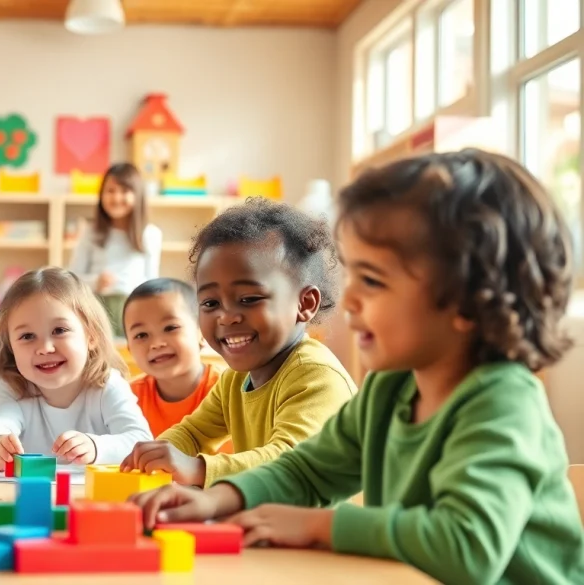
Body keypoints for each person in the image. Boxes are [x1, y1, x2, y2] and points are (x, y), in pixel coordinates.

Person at [131, 150, 584, 585]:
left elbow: (466, 549)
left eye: (372, 281)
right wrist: (216, 497)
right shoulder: (389, 388)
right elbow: (304, 471)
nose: (347, 301)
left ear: (467, 299)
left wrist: (319, 527)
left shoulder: (501, 401)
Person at [121, 198, 357, 487]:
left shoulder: (317, 377)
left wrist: (198, 469)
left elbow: (289, 463)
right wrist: (155, 454)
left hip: (319, 529)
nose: (226, 317)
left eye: (248, 299)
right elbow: (193, 433)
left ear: (304, 303)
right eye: (210, 302)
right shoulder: (235, 380)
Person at [0, 268, 152, 470]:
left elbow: (140, 441)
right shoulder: (14, 387)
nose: (45, 348)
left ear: (91, 336)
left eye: (59, 331)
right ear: (11, 348)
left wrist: (95, 447)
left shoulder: (108, 385)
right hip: (35, 497)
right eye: (27, 336)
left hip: (93, 497)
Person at [122, 278, 227, 449]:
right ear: (129, 348)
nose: (156, 343)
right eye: (141, 335)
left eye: (170, 328)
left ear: (202, 332)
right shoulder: (127, 398)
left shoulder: (230, 391)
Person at [67, 163, 161, 337]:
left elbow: (152, 283)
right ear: (101, 195)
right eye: (110, 191)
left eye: (124, 191)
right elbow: (71, 279)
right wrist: (96, 282)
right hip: (96, 310)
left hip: (135, 311)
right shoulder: (91, 232)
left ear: (138, 195)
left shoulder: (151, 234)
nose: (117, 197)